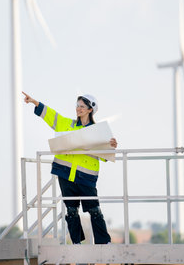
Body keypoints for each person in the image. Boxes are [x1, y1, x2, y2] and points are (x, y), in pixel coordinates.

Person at [22, 91, 117, 244]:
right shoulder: (68, 124)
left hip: (86, 177)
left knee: (94, 210)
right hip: (65, 174)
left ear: (90, 109)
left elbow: (106, 156)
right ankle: (77, 243)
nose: (78, 109)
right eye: (77, 105)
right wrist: (35, 103)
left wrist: (111, 146)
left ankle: (104, 243)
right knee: (71, 211)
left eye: (82, 106)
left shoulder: (99, 131)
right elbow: (52, 116)